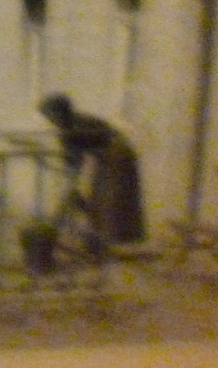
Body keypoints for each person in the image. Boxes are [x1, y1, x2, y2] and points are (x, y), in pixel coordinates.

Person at [39, 92, 146, 251]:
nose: (49, 120)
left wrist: (72, 189)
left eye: (50, 115)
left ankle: (106, 241)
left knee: (110, 198)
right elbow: (74, 161)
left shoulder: (73, 127)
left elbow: (75, 162)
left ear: (59, 112)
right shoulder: (71, 125)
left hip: (118, 156)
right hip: (109, 156)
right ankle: (101, 241)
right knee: (100, 197)